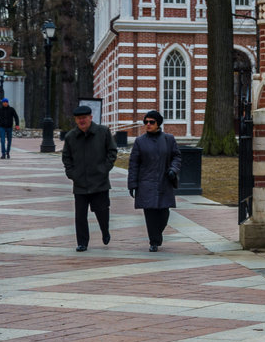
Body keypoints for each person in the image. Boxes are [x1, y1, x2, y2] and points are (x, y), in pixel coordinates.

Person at [61, 105, 117, 252]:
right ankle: (82, 242)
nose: (82, 121)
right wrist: (71, 173)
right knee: (80, 216)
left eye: (84, 118)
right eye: (79, 119)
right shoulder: (71, 137)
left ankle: (105, 231)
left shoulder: (103, 132)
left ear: (91, 118)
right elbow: (66, 157)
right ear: (75, 120)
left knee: (102, 211)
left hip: (100, 181)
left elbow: (112, 151)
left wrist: (104, 169)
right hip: (80, 182)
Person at [127, 110, 181, 253]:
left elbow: (177, 156)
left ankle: (157, 234)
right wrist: (132, 184)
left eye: (152, 122)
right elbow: (134, 164)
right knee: (150, 214)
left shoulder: (169, 139)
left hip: (164, 181)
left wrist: (173, 170)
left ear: (158, 124)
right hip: (146, 183)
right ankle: (153, 241)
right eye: (146, 122)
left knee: (164, 213)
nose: (148, 124)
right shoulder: (140, 141)